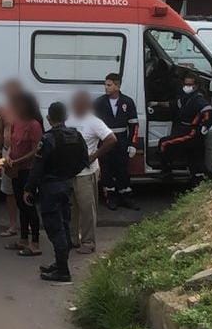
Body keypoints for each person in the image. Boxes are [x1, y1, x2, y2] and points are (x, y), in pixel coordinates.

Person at [24, 101, 90, 282]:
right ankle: (60, 264)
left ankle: (63, 271)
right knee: (65, 223)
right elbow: (85, 160)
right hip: (67, 184)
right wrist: (69, 174)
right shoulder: (76, 135)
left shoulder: (48, 139)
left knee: (55, 229)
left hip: (50, 188)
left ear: (48, 118)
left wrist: (29, 188)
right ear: (66, 117)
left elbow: (38, 166)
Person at [66, 90, 117, 254]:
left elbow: (111, 139)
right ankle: (73, 239)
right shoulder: (69, 120)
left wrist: (94, 156)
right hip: (69, 172)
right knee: (71, 208)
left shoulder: (94, 122)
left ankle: (88, 242)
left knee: (87, 209)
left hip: (86, 174)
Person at [3, 92, 44, 257]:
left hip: (28, 170)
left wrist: (18, 160)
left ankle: (35, 242)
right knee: (20, 203)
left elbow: (36, 150)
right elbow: (12, 143)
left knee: (29, 205)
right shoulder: (16, 122)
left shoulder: (34, 125)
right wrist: (8, 156)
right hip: (15, 169)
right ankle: (23, 239)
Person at [157, 69, 212, 186]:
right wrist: (156, 103)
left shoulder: (198, 99)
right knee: (193, 158)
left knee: (164, 143)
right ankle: (194, 178)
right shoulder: (184, 97)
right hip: (183, 128)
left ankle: (166, 171)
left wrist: (205, 126)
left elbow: (208, 110)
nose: (187, 87)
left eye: (190, 85)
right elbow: (173, 104)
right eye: (185, 84)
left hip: (191, 131)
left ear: (196, 86)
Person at [94, 72, 140, 211]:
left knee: (123, 169)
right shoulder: (99, 102)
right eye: (105, 85)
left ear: (117, 86)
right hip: (106, 140)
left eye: (109, 85)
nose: (106, 87)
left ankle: (126, 197)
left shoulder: (128, 101)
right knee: (106, 169)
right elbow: (94, 124)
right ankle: (111, 197)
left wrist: (132, 144)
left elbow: (134, 125)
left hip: (121, 140)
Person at [0, 79, 23, 238]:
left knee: (24, 189)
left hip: (23, 155)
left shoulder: (28, 111)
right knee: (8, 190)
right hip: (6, 153)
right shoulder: (4, 110)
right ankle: (13, 225)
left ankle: (27, 225)